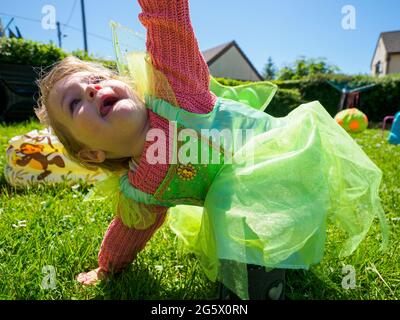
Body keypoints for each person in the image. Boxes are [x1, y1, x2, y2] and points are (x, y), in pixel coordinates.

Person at [34, 0, 388, 300]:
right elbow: (128, 231)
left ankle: (257, 274)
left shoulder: (175, 89)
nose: (93, 90)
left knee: (234, 203)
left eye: (96, 80)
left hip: (283, 159)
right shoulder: (141, 188)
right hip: (244, 197)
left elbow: (168, 24)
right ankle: (256, 281)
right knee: (231, 225)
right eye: (74, 102)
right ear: (93, 154)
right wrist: (106, 269)